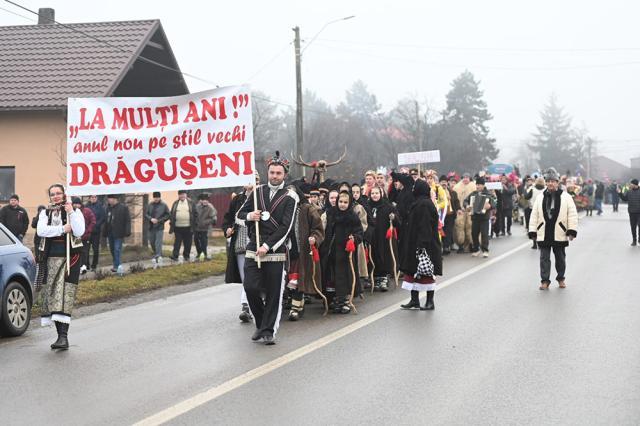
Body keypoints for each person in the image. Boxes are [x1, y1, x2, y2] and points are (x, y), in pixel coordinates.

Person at [236, 152, 297, 345]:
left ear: (284, 175)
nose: (275, 176)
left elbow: (286, 228)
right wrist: (250, 216)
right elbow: (239, 215)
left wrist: (267, 245)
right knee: (250, 287)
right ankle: (261, 323)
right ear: (267, 172)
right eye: (272, 172)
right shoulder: (257, 191)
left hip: (275, 249)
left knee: (273, 293)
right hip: (253, 246)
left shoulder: (290, 196)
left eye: (279, 173)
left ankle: (269, 331)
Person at [35, 184, 85, 350]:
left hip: (70, 259)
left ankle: (64, 337)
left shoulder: (74, 212)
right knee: (52, 296)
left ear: (64, 194)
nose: (55, 196)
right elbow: (42, 231)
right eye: (52, 194)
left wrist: (70, 211)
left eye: (58, 193)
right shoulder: (45, 213)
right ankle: (59, 337)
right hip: (50, 259)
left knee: (64, 295)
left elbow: (79, 231)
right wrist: (62, 229)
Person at [529, 168, 578, 290]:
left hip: (559, 231)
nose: (550, 183)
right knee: (544, 258)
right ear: (546, 182)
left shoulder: (566, 197)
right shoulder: (540, 197)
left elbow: (572, 214)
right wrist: (533, 231)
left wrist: (571, 230)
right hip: (544, 232)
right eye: (548, 181)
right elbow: (534, 214)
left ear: (557, 182)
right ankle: (545, 281)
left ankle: (561, 278)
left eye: (553, 181)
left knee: (560, 258)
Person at [399, 179, 443, 310]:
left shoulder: (424, 204)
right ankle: (414, 300)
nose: (413, 190)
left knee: (426, 273)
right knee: (414, 273)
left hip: (425, 244)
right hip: (416, 243)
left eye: (414, 188)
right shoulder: (420, 202)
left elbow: (425, 227)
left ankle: (430, 302)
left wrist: (422, 245)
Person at [321, 191, 363, 314]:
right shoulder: (331, 213)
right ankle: (333, 299)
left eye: (345, 202)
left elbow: (359, 232)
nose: (342, 204)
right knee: (331, 276)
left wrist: (354, 238)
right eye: (340, 202)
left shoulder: (352, 216)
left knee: (344, 276)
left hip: (345, 252)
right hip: (331, 251)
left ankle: (345, 300)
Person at [286, 183, 325, 321]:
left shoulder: (307, 209)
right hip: (284, 252)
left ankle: (295, 309)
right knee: (287, 282)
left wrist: (314, 238)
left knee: (298, 280)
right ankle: (298, 304)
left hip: (301, 251)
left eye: (292, 193)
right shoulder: (281, 209)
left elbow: (318, 228)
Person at [222, 184, 253, 323]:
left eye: (255, 179)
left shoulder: (263, 196)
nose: (251, 183)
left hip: (258, 244)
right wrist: (228, 229)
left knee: (257, 276)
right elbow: (228, 218)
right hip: (240, 243)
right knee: (245, 277)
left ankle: (258, 304)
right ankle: (246, 307)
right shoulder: (238, 200)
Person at [368, 186, 400, 291]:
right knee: (373, 256)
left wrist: (393, 217)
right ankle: (375, 277)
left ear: (381, 194)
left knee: (384, 256)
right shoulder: (367, 206)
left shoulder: (388, 206)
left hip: (384, 237)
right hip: (372, 236)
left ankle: (384, 278)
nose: (375, 195)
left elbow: (398, 222)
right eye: (372, 193)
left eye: (377, 193)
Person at [464, 177, 497, 258]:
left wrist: (490, 206)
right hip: (475, 217)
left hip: (484, 218)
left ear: (483, 185)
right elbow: (465, 201)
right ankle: (476, 249)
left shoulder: (488, 194)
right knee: (474, 234)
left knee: (484, 234)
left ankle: (485, 250)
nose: (477, 186)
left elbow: (495, 202)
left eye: (479, 185)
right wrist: (467, 206)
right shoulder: (473, 194)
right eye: (477, 185)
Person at [104, 194, 131, 272]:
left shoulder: (123, 208)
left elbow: (127, 220)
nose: (108, 200)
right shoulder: (108, 208)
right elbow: (106, 221)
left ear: (115, 199)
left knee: (117, 249)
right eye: (108, 198)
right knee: (112, 249)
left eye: (110, 198)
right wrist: (104, 232)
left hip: (119, 232)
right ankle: (116, 263)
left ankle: (117, 266)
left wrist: (127, 230)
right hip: (110, 232)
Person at [169, 190, 197, 262]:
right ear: (178, 195)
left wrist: (195, 224)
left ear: (186, 195)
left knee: (188, 242)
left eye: (183, 194)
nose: (182, 196)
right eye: (180, 194)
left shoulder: (191, 203)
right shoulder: (175, 203)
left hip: (188, 227)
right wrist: (171, 223)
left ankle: (186, 256)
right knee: (177, 242)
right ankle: (175, 255)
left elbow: (195, 213)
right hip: (177, 227)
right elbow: (172, 213)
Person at [145, 191, 170, 265]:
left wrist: (159, 220)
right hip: (151, 227)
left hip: (159, 227)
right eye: (155, 197)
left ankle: (158, 256)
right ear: (153, 197)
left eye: (157, 197)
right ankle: (157, 253)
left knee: (158, 242)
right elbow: (146, 214)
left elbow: (168, 215)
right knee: (152, 242)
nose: (156, 199)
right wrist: (151, 219)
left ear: (160, 197)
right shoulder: (150, 205)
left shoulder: (164, 205)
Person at [453, 173, 476, 253]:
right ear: (462, 178)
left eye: (467, 177)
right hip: (461, 210)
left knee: (470, 226)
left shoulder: (473, 186)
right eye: (464, 177)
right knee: (460, 227)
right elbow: (455, 199)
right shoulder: (457, 187)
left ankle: (472, 244)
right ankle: (460, 245)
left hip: (470, 210)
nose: (466, 179)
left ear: (469, 178)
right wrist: (458, 208)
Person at [71, 197, 96, 275]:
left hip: (85, 236)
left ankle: (84, 266)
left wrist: (88, 230)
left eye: (78, 204)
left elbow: (93, 221)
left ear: (80, 204)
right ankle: (77, 267)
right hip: (75, 237)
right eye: (75, 204)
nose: (76, 205)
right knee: (76, 252)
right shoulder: (71, 212)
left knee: (85, 252)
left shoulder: (87, 211)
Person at [439, 175, 460, 255]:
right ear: (439, 183)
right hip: (441, 216)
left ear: (447, 183)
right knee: (442, 231)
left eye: (445, 182)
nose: (444, 183)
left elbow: (457, 202)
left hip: (450, 215)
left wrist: (458, 209)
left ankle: (446, 247)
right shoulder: (436, 192)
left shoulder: (452, 192)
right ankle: (443, 246)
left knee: (448, 231)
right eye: (442, 182)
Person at [524, 177, 546, 249]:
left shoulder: (532, 189)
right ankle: (541, 243)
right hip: (543, 210)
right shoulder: (545, 189)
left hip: (533, 209)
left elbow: (526, 197)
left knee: (533, 227)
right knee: (541, 227)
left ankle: (534, 243)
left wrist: (525, 191)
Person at [85, 195, 105, 271]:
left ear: (97, 198)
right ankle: (86, 265)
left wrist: (96, 225)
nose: (93, 198)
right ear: (89, 198)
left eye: (95, 197)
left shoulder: (100, 207)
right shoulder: (86, 206)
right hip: (87, 232)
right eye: (92, 197)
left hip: (96, 231)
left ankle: (94, 265)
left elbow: (103, 217)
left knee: (95, 249)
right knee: (86, 249)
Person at [194, 193, 217, 260]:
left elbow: (213, 218)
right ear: (201, 201)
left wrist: (205, 222)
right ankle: (199, 253)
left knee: (204, 242)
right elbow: (194, 215)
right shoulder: (197, 206)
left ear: (208, 201)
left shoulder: (210, 207)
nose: (205, 201)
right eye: (204, 200)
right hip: (197, 228)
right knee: (196, 241)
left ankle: (204, 254)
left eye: (206, 200)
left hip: (205, 228)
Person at [618, 179, 640, 246]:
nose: (630, 185)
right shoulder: (629, 191)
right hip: (631, 212)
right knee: (633, 227)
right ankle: (634, 240)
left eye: (631, 184)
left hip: (639, 212)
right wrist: (620, 193)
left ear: (635, 184)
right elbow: (624, 199)